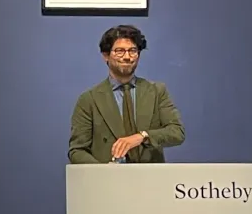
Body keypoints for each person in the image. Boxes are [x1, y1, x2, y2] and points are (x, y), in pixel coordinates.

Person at [68, 25, 185, 164]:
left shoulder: (157, 91)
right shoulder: (89, 99)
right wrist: (102, 172)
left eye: (132, 51)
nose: (127, 57)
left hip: (150, 175)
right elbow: (77, 151)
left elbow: (177, 132)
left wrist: (143, 136)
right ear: (106, 55)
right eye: (119, 51)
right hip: (109, 176)